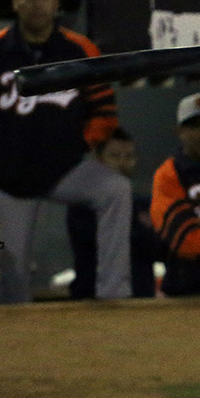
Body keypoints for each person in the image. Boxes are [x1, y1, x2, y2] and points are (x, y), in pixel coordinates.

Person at [0, 0, 132, 303]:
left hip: (64, 170)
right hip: (9, 178)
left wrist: (80, 144)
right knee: (11, 278)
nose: (36, 3)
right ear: (15, 2)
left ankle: (115, 295)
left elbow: (104, 111)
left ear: (56, 2)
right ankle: (13, 327)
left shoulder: (79, 50)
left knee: (116, 190)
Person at [151, 92, 200, 296]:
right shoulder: (168, 174)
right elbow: (185, 241)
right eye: (194, 126)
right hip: (185, 289)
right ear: (180, 131)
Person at [66, 128, 159, 299]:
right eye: (115, 156)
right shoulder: (83, 206)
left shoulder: (144, 205)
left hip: (142, 299)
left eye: (129, 156)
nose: (123, 163)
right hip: (93, 300)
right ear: (99, 160)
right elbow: (98, 244)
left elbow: (159, 246)